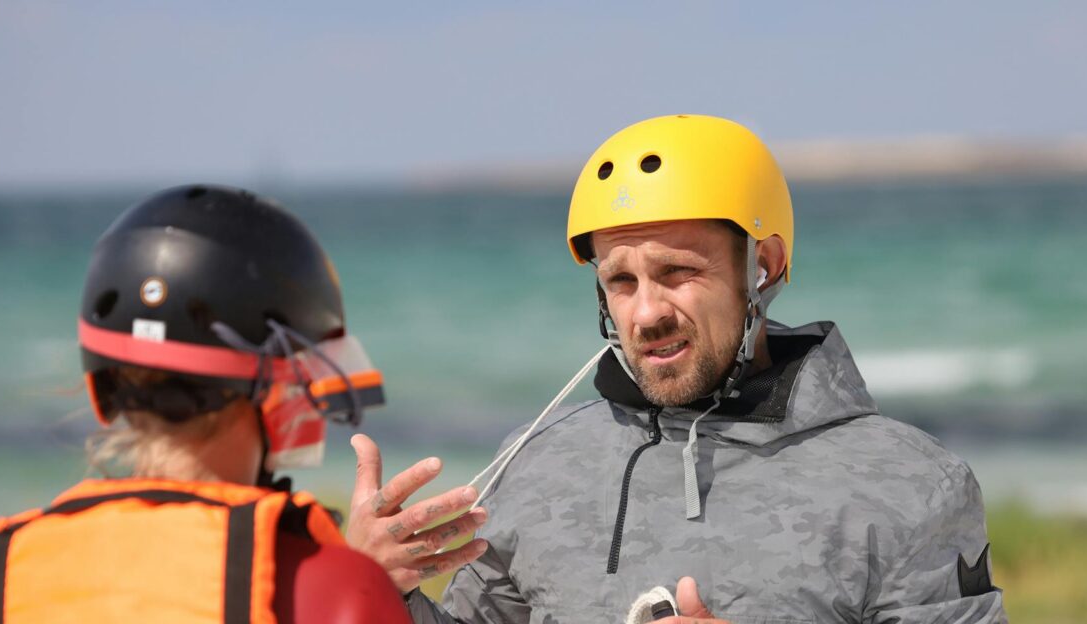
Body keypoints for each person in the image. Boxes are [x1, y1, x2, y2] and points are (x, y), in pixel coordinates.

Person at [401, 115, 1007, 623]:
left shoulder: (913, 487)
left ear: (763, 265)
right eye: (620, 280)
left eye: (677, 273)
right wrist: (374, 590)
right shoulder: (536, 461)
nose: (646, 313)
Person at [0, 185, 429, 623]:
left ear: (103, 381)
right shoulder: (336, 591)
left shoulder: (2, 564)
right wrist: (368, 580)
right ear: (280, 391)